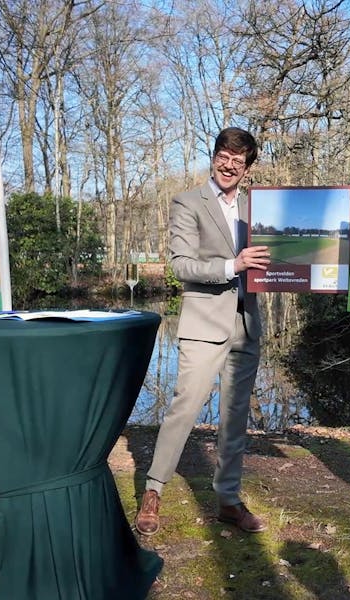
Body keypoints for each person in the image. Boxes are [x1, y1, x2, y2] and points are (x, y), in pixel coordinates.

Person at [135, 127, 271, 536]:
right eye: (223, 157)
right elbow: (181, 265)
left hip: (246, 324)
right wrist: (233, 266)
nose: (229, 166)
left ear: (247, 167)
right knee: (184, 409)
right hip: (203, 324)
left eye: (238, 160)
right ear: (213, 158)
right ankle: (154, 490)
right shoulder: (188, 202)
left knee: (235, 418)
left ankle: (228, 501)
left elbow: (277, 257)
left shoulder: (256, 207)